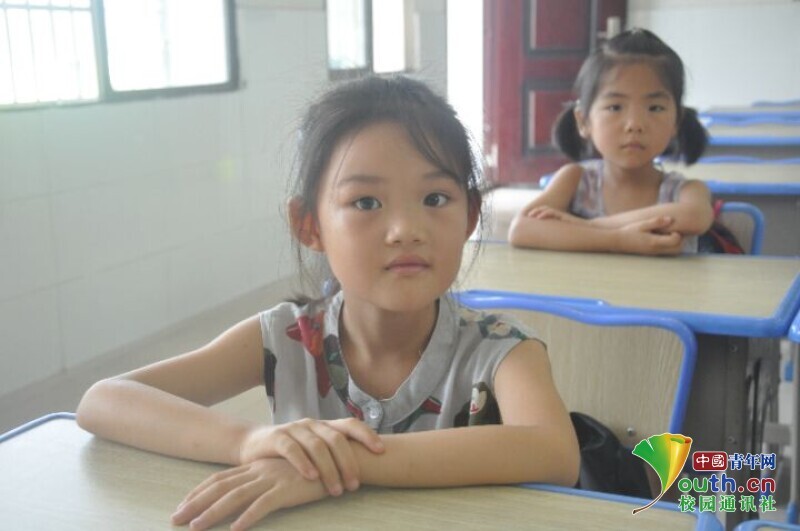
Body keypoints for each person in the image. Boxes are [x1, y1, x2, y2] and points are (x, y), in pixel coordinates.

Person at [76, 75, 580, 531]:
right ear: (309, 225)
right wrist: (247, 442)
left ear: (469, 217)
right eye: (366, 203)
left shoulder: (502, 349)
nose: (406, 230)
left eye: (434, 199)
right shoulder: (286, 339)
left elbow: (554, 451)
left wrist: (341, 463)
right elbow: (104, 400)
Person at [507, 28, 715, 255]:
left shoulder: (685, 190)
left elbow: (695, 217)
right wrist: (618, 240)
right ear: (584, 121)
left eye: (655, 108)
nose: (634, 124)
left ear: (676, 122)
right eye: (615, 107)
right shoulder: (576, 180)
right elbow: (521, 229)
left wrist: (590, 226)